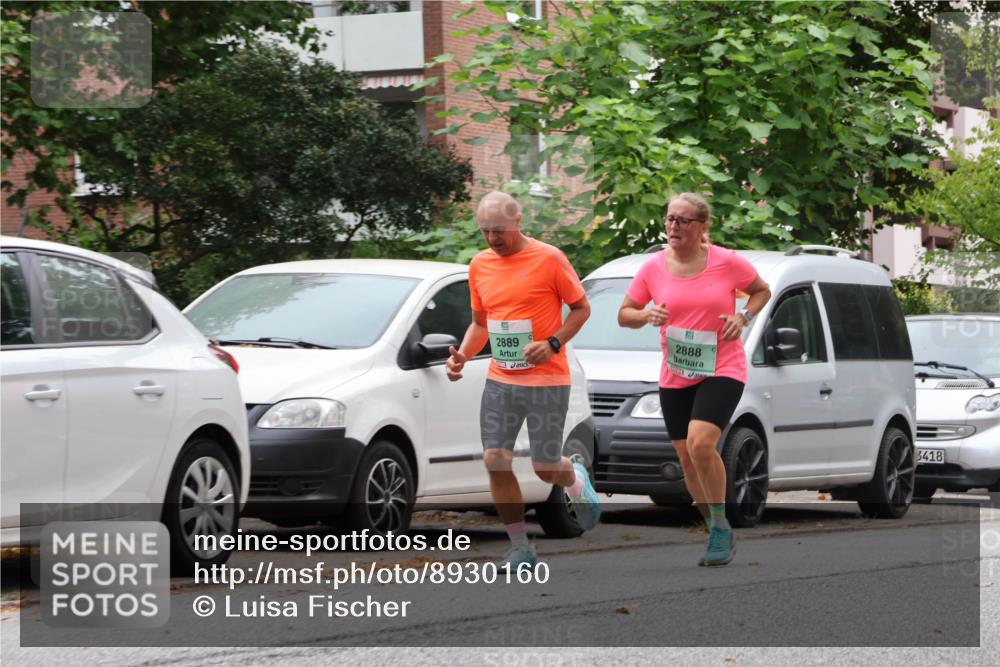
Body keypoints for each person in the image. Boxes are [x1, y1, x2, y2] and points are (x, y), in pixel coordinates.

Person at [446, 190, 601, 571]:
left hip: (547, 379)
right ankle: (520, 546)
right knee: (495, 459)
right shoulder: (480, 265)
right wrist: (464, 355)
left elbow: (581, 309)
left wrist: (552, 343)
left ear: (519, 221)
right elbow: (481, 323)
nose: (492, 239)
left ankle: (573, 474)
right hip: (502, 379)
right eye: (484, 231)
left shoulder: (549, 258)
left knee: (545, 467)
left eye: (498, 230)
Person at [617, 193, 771, 567]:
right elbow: (625, 314)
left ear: (703, 226)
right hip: (676, 371)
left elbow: (761, 291)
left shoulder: (727, 262)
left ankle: (720, 525)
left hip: (722, 366)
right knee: (687, 459)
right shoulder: (653, 267)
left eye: (683, 221)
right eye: (670, 219)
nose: (674, 227)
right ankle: (714, 525)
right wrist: (646, 315)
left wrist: (743, 318)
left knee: (702, 445)